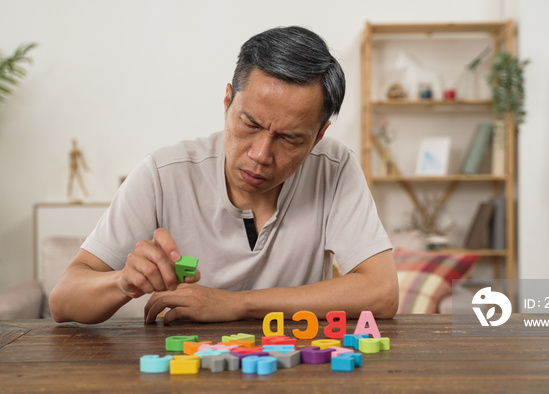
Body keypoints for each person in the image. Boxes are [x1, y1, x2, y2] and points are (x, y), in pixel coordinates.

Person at [49, 26, 398, 325]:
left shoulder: (333, 167)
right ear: (228, 100)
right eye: (250, 124)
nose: (260, 155)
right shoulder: (163, 174)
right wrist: (122, 282)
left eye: (290, 138)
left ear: (319, 135)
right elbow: (63, 301)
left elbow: (381, 292)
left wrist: (235, 304)